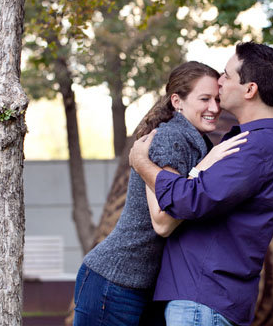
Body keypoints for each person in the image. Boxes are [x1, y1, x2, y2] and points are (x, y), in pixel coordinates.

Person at [130, 42, 273, 326]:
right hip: (211, 298)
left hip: (203, 301)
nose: (219, 81)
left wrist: (142, 163)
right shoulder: (263, 142)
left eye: (227, 76)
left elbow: (188, 201)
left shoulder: (255, 148)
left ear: (250, 90)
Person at [73, 61, 248, 326]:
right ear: (177, 101)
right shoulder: (172, 138)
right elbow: (163, 222)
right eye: (204, 99)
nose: (214, 108)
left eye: (217, 98)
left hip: (146, 287)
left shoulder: (197, 140)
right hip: (115, 282)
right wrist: (203, 169)